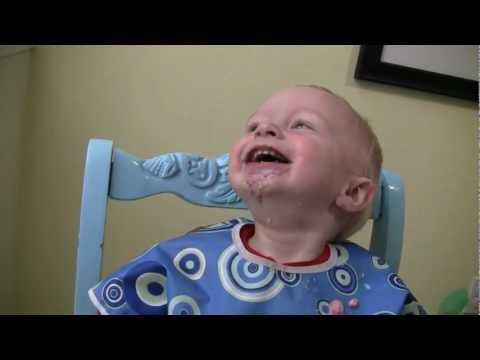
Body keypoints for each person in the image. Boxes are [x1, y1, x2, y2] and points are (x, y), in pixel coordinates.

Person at [89, 85, 426, 315]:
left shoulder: (372, 283)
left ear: (352, 192)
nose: (263, 129)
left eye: (301, 125)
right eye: (253, 126)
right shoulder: (185, 259)